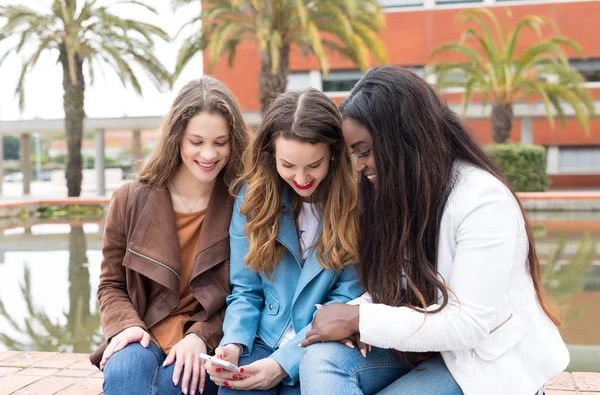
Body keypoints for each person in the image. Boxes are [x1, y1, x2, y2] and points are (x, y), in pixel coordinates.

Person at [298, 66, 569, 395]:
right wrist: (349, 315)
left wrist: (359, 319)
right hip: (426, 348)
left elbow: (468, 324)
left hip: (485, 361)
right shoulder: (401, 192)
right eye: (355, 153)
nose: (359, 165)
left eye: (365, 151)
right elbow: (396, 289)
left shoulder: (482, 200)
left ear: (402, 139)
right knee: (321, 358)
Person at [90, 77, 249, 395]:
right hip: (143, 331)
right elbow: (111, 284)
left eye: (220, 142)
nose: (208, 153)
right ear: (177, 138)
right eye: (196, 141)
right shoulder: (129, 199)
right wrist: (128, 325)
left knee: (174, 386)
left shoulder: (243, 205)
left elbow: (247, 293)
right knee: (124, 377)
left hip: (202, 338)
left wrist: (201, 336)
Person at [205, 88, 364, 394]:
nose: (302, 178)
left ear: (333, 153)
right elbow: (246, 291)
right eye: (288, 165)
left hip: (320, 345)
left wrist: (282, 365)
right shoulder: (251, 201)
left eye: (314, 165)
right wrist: (232, 345)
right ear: (271, 155)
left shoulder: (357, 206)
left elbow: (346, 299)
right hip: (262, 339)